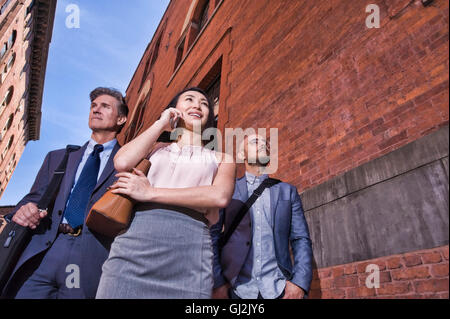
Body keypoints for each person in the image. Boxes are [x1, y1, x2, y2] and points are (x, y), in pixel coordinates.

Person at [95, 87, 236, 299]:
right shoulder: (155, 147)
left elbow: (219, 196)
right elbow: (122, 162)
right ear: (174, 109)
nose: (197, 105)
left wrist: (150, 193)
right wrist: (162, 122)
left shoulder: (222, 159)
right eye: (189, 99)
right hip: (134, 245)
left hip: (190, 253)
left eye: (204, 103)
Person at [2, 87, 128, 299]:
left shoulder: (128, 163)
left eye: (105, 106)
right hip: (44, 251)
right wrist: (25, 209)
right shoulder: (58, 157)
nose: (96, 110)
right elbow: (33, 198)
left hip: (88, 258)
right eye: (93, 106)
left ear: (121, 119)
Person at [211, 134, 313, 299]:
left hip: (279, 289)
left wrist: (300, 283)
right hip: (235, 290)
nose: (263, 145)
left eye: (266, 144)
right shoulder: (227, 189)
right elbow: (212, 235)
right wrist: (217, 282)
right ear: (242, 155)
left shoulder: (287, 191)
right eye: (255, 142)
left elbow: (300, 239)